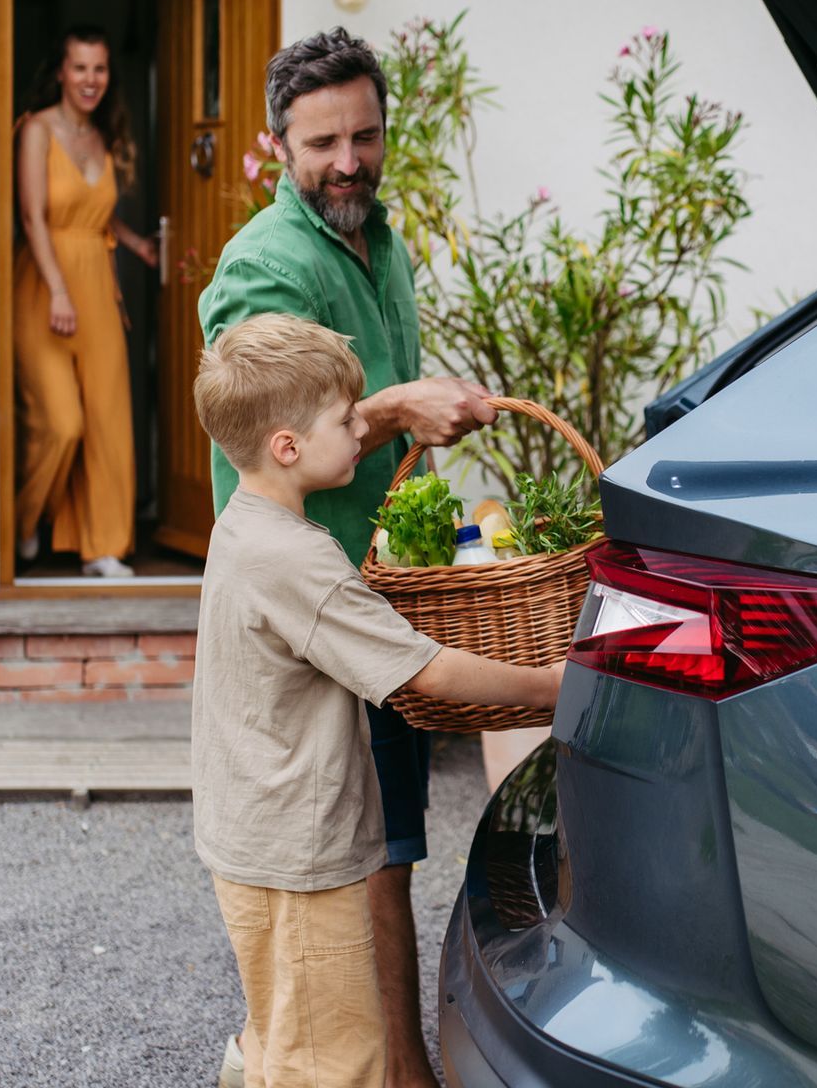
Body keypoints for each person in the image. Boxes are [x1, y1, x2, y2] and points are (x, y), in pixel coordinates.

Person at [198, 27, 499, 1088]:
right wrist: (393, 404)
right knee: (360, 856)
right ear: (280, 143)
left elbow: (371, 428)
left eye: (365, 134)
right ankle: (382, 1073)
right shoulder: (265, 263)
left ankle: (358, 1062)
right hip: (310, 616)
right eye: (323, 141)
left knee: (393, 844)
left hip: (370, 595)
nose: (348, 161)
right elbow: (260, 421)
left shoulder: (383, 237)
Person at [191, 311, 563, 1088]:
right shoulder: (298, 560)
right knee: (336, 1063)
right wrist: (555, 688)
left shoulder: (244, 528)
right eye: (344, 417)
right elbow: (422, 672)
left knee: (283, 1032)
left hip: (249, 839)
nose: (362, 425)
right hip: (300, 853)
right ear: (287, 446)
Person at [13, 25, 158, 577]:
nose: (91, 79)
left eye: (99, 69)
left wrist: (137, 242)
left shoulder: (103, 134)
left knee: (107, 419)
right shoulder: (36, 129)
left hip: (98, 283)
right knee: (60, 422)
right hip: (44, 285)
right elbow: (33, 215)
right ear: (60, 71)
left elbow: (95, 210)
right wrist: (56, 290)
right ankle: (25, 521)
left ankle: (102, 546)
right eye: (80, 68)